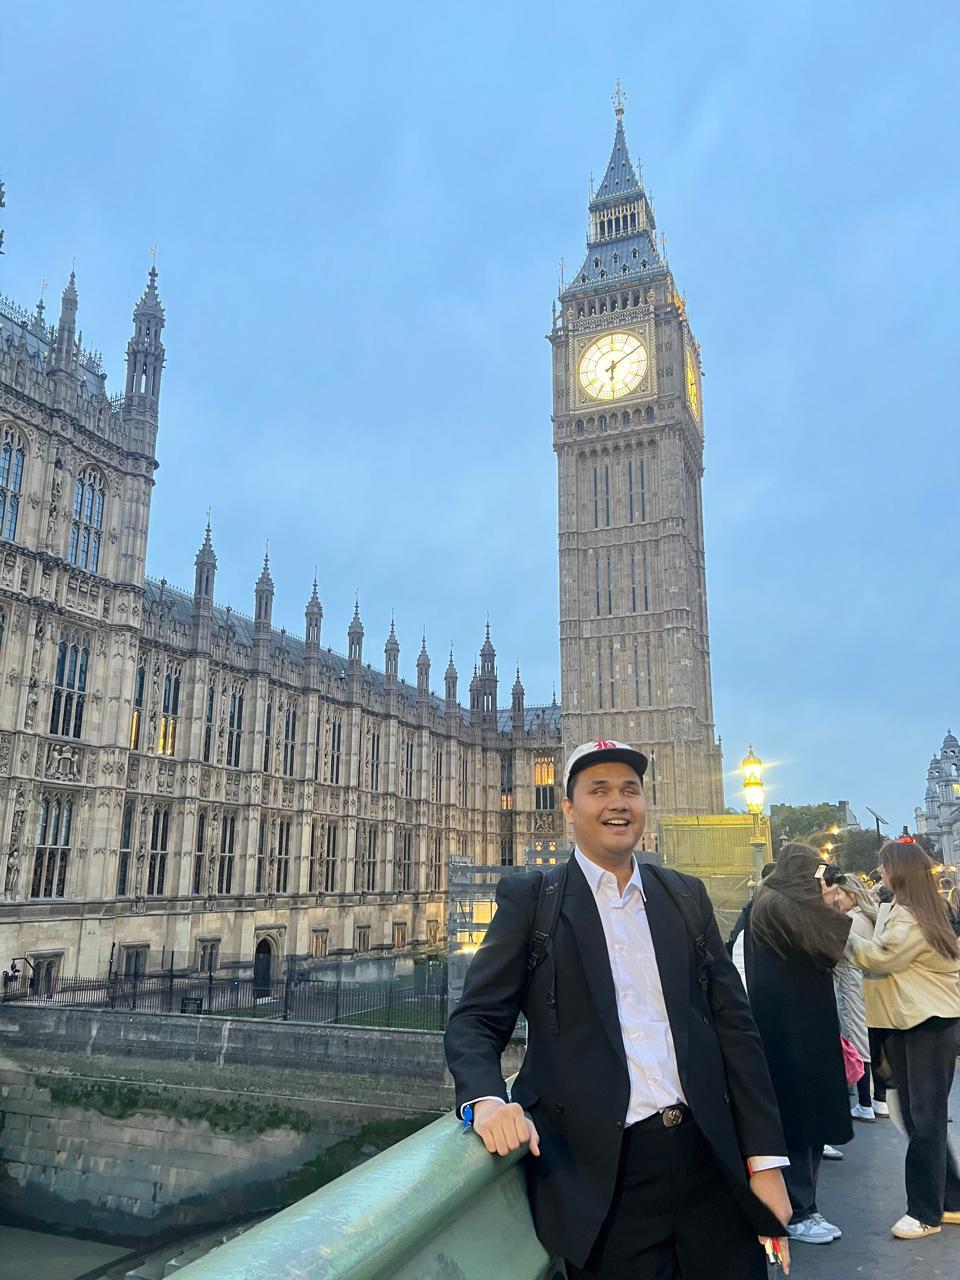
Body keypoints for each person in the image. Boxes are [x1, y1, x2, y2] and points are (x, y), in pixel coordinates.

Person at [445, 739, 792, 1279]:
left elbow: (736, 1030)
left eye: (630, 790)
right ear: (568, 808)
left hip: (709, 1164)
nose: (618, 803)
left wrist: (765, 1160)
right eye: (599, 790)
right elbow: (476, 1020)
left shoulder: (685, 896)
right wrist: (487, 1101)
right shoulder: (532, 901)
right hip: (605, 1183)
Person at [846, 838, 960, 1240]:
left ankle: (925, 1212)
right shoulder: (913, 909)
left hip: (926, 1020)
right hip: (918, 1019)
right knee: (919, 1116)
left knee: (923, 1117)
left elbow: (880, 957)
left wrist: (839, 930)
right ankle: (950, 1199)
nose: (880, 872)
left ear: (898, 871)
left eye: (884, 866)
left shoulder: (910, 916)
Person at [740, 844, 853, 1246]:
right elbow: (831, 945)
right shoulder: (785, 905)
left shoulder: (765, 901)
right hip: (799, 1028)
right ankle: (801, 1210)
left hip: (781, 1025)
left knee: (794, 1119)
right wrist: (825, 898)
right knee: (803, 1121)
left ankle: (800, 1206)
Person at [826, 868, 882, 1119]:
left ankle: (864, 1103)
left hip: (851, 982)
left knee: (856, 1040)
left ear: (851, 894)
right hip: (871, 983)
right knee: (872, 1039)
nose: (836, 898)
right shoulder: (870, 916)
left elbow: (834, 955)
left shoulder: (849, 920)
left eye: (839, 893)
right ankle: (879, 1100)